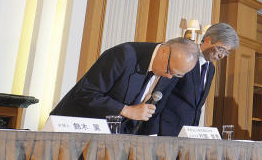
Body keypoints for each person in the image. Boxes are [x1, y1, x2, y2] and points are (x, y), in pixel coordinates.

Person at [51, 38, 199, 128]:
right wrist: (127, 110)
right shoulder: (123, 55)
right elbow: (85, 94)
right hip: (73, 129)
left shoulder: (169, 72)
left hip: (110, 141)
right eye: (169, 70)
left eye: (177, 75)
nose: (169, 76)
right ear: (164, 51)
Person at [139, 23, 238, 136]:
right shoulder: (184, 58)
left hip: (188, 133)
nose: (222, 56)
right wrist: (152, 133)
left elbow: (196, 106)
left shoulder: (211, 69)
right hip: (164, 131)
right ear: (207, 39)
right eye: (221, 49)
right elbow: (161, 96)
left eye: (226, 52)